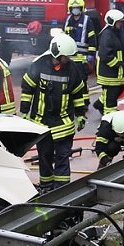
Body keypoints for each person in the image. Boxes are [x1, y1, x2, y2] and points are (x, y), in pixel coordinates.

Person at [20, 33, 89, 193]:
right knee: (44, 158)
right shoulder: (38, 66)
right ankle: (46, 187)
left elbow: (78, 93)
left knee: (62, 158)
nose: (68, 59)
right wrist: (24, 111)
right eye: (66, 56)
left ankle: (62, 190)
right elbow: (27, 90)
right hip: (42, 124)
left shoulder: (72, 70)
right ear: (57, 53)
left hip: (64, 124)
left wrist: (80, 114)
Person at [95, 9, 124, 115]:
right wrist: (117, 64)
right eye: (119, 22)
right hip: (109, 73)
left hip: (114, 72)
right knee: (111, 97)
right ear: (112, 22)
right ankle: (110, 117)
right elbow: (105, 55)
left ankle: (100, 104)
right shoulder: (107, 34)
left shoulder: (114, 33)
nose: (121, 24)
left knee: (119, 89)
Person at [63, 0, 97, 76]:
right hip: (69, 58)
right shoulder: (67, 21)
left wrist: (91, 55)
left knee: (81, 80)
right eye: (73, 8)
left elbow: (92, 39)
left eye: (78, 7)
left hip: (82, 59)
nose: (75, 10)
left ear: (81, 8)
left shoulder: (87, 20)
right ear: (70, 9)